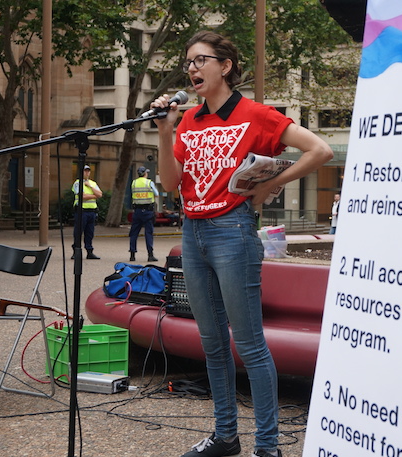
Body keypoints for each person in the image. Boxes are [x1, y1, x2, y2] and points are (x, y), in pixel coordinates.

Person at [152, 31, 333, 457]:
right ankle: (225, 436)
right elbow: (170, 182)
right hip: (192, 234)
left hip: (232, 231)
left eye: (200, 60)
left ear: (225, 66)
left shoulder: (256, 115)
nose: (192, 69)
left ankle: (268, 446)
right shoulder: (190, 121)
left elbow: (319, 150)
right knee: (212, 343)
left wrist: (271, 182)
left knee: (250, 343)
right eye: (188, 63)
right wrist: (165, 132)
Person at [71, 164, 102, 259]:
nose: (87, 172)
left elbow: (100, 194)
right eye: (85, 171)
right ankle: (76, 251)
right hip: (81, 211)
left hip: (92, 212)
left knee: (90, 233)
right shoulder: (77, 183)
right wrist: (94, 195)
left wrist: (90, 187)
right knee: (78, 232)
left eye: (88, 171)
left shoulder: (93, 183)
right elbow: (82, 196)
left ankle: (89, 251)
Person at [129, 166, 159, 262]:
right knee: (148, 233)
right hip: (147, 211)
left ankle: (132, 255)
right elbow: (156, 193)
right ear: (145, 173)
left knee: (134, 233)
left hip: (137, 211)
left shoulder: (134, 183)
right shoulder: (149, 182)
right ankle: (150, 255)